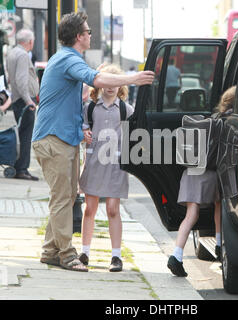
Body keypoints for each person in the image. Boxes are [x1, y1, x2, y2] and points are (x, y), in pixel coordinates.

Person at [31, 12, 154, 272]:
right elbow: (97, 81)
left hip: (63, 138)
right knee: (63, 198)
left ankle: (51, 250)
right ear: (79, 36)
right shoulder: (67, 59)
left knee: (64, 196)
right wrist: (133, 78)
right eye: (88, 32)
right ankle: (66, 254)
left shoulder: (67, 59)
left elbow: (82, 91)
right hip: (54, 139)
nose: (90, 35)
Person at [167, 86, 236, 277]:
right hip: (210, 175)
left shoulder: (212, 120)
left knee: (191, 215)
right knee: (219, 205)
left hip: (190, 172)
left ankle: (177, 255)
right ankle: (219, 245)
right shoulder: (230, 122)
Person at [78, 64, 133, 272]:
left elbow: (135, 134)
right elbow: (82, 128)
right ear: (100, 84)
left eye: (114, 83)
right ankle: (84, 252)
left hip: (116, 166)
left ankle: (116, 256)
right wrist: (84, 134)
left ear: (120, 86)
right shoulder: (90, 107)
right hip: (93, 163)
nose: (110, 87)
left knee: (112, 209)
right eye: (106, 82)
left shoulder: (126, 109)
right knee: (90, 209)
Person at [7, 29, 39, 181]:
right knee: (26, 136)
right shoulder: (23, 55)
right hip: (24, 100)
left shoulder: (13, 53)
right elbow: (21, 79)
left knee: (22, 135)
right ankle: (22, 169)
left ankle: (19, 166)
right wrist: (29, 100)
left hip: (17, 99)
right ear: (30, 42)